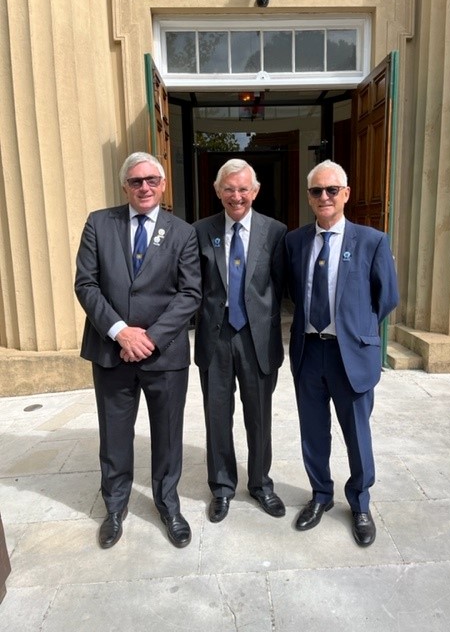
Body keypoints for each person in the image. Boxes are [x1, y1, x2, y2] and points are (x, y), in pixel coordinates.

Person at [75, 152, 201, 549]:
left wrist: (149, 337)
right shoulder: (99, 223)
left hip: (164, 355)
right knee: (114, 435)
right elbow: (86, 284)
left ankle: (167, 503)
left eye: (151, 180)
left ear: (163, 185)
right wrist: (120, 332)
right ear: (124, 186)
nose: (143, 187)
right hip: (112, 352)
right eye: (135, 181)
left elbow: (190, 293)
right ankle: (114, 506)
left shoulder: (183, 232)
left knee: (167, 435)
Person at [285, 159, 399, 546]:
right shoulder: (295, 241)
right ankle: (320, 496)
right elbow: (292, 291)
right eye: (316, 191)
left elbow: (387, 297)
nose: (324, 197)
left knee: (357, 435)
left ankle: (360, 503)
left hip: (350, 356)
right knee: (313, 434)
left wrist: (356, 329)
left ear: (346, 194)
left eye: (332, 190)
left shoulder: (371, 241)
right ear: (309, 197)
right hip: (308, 352)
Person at [193, 159, 287, 523]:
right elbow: (192, 286)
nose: (237, 196)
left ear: (255, 191)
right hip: (214, 337)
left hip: (257, 337)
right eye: (229, 189)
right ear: (218, 191)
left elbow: (280, 287)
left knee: (259, 415)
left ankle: (261, 483)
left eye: (243, 189)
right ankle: (221, 486)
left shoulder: (275, 231)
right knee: (217, 416)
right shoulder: (200, 231)